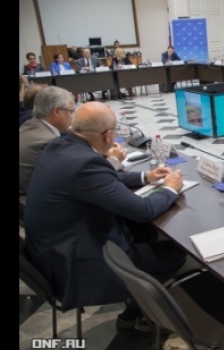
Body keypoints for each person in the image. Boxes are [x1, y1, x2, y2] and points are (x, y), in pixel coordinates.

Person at [24, 101, 187, 329]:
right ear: (108, 135)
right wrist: (170, 188)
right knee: (175, 253)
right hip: (77, 265)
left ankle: (140, 310)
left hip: (54, 250)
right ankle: (141, 315)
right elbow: (144, 211)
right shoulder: (85, 163)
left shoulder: (61, 146)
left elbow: (100, 179)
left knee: (143, 231)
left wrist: (145, 177)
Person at [19, 86, 76, 195]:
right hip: (32, 200)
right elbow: (72, 177)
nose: (72, 117)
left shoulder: (29, 125)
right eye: (71, 111)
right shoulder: (49, 141)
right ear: (57, 111)